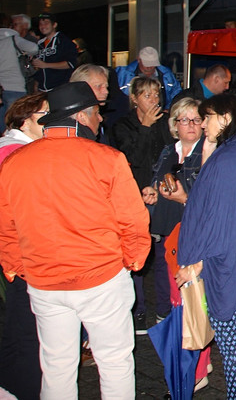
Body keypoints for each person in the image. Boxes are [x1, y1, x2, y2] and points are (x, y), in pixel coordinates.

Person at [0, 81, 150, 398]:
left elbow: (6, 227)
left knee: (56, 367)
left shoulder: (15, 162)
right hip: (100, 278)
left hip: (44, 282)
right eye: (96, 112)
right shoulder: (106, 158)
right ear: (81, 116)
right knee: (114, 363)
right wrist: (133, 261)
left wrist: (18, 267)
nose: (101, 118)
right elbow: (133, 220)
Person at [175, 93, 236, 399]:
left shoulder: (227, 159)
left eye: (207, 117)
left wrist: (195, 263)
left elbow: (215, 217)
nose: (203, 124)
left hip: (223, 262)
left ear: (226, 118)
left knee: (230, 338)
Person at [110, 76, 173, 333]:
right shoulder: (122, 125)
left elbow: (172, 157)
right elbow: (132, 159)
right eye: (147, 95)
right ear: (134, 99)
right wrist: (145, 127)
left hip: (161, 195)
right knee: (135, 256)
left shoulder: (165, 122)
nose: (154, 100)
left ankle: (164, 310)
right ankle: (138, 310)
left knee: (163, 254)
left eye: (156, 94)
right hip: (133, 197)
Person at [0, 93, 48, 399]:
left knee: (17, 324)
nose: (50, 122)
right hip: (22, 252)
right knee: (26, 327)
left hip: (16, 250)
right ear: (24, 121)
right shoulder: (16, 153)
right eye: (43, 116)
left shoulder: (12, 148)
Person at [149, 98, 208, 322]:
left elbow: (210, 199)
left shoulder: (207, 153)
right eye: (185, 120)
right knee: (164, 274)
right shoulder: (168, 151)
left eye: (196, 119)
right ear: (175, 124)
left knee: (188, 280)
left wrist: (183, 198)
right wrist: (151, 191)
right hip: (166, 224)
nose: (191, 125)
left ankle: (189, 323)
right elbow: (156, 179)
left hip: (190, 226)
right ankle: (166, 318)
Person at [115, 46, 182, 109]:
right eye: (146, 63)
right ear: (139, 60)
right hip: (129, 114)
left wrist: (169, 109)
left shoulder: (167, 74)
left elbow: (176, 93)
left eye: (152, 63)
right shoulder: (123, 74)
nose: (149, 67)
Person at [0, 18, 39, 123]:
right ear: (10, 26)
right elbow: (34, 48)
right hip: (16, 86)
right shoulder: (13, 39)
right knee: (15, 121)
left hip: (1, 88)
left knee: (2, 122)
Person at [31, 12, 78, 92]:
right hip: (42, 90)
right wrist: (36, 84)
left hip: (60, 88)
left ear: (54, 25)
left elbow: (70, 63)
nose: (43, 26)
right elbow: (39, 67)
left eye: (46, 23)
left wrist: (46, 65)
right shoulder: (39, 44)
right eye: (40, 24)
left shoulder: (63, 41)